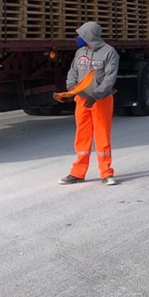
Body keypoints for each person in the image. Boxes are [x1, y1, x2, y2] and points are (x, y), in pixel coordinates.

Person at [57, 21, 120, 186]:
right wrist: (71, 87)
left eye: (81, 35)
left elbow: (109, 78)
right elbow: (73, 71)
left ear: (89, 36)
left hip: (101, 101)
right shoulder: (80, 52)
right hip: (82, 100)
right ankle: (77, 173)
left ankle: (106, 173)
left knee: (102, 136)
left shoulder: (109, 53)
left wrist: (97, 96)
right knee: (81, 137)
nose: (78, 38)